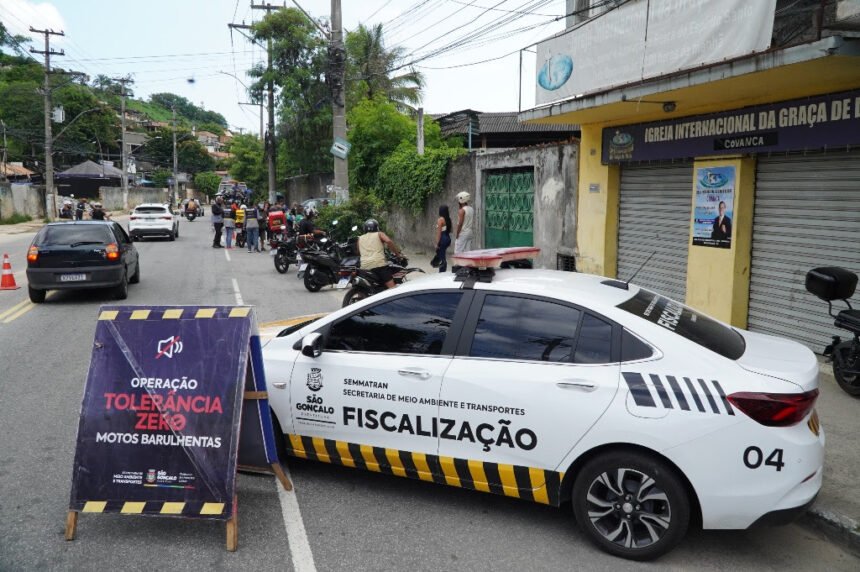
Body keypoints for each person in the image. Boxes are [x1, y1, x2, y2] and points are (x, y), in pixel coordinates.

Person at [358, 218, 401, 289]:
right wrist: (397, 254)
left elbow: (359, 252)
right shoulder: (379, 234)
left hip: (364, 267)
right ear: (376, 227)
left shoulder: (360, 238)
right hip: (379, 264)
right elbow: (389, 241)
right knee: (392, 288)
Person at [433, 204, 452, 273]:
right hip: (447, 238)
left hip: (443, 238)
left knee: (441, 256)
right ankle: (443, 270)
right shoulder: (448, 219)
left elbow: (439, 233)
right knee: (442, 254)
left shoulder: (440, 219)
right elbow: (450, 230)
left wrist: (437, 243)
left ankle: (442, 271)